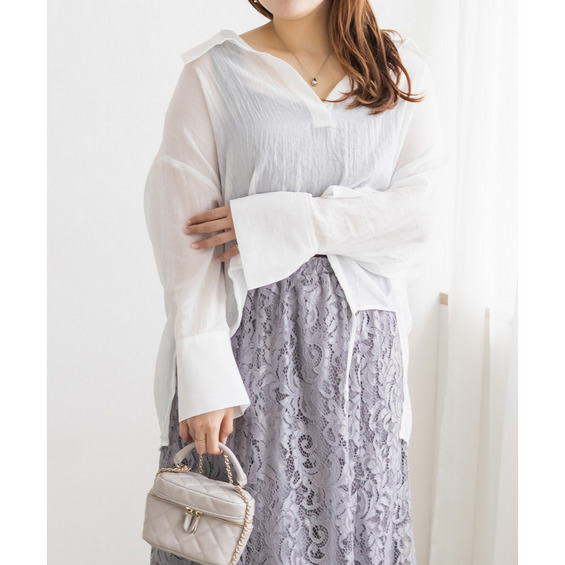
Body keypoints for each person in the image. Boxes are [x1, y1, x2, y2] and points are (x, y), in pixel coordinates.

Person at [144, 1, 447, 564]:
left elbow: (417, 219)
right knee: (246, 533)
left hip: (363, 361)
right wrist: (204, 375)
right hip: (246, 358)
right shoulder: (213, 74)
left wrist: (288, 220)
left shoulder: (401, 70)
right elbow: (182, 236)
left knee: (356, 532)